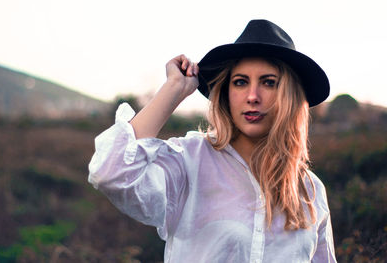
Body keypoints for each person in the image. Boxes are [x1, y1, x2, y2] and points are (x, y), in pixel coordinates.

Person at [88, 19, 337, 262]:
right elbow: (111, 172)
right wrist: (173, 88)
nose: (252, 96)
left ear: (290, 96)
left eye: (269, 83)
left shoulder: (310, 190)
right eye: (240, 82)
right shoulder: (189, 162)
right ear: (226, 93)